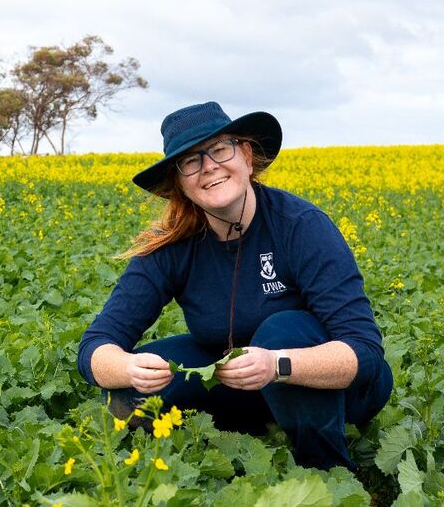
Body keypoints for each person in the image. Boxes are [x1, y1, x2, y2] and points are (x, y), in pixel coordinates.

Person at [76, 101, 393, 470]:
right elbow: (95, 346)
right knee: (130, 389)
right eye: (190, 161)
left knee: (281, 330)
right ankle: (220, 450)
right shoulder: (172, 245)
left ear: (246, 154)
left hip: (334, 386)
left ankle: (327, 474)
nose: (209, 166)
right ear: (179, 182)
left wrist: (278, 365)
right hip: (242, 382)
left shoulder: (301, 225)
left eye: (220, 149)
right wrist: (128, 367)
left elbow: (367, 354)